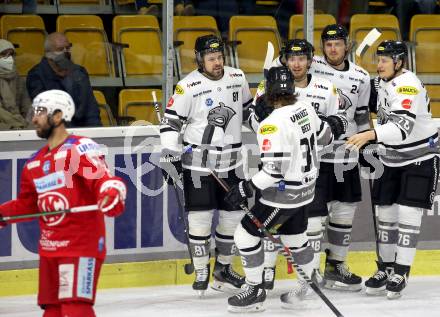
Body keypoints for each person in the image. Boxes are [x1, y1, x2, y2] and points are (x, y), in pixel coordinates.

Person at [224, 66, 345, 312]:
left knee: (245, 235)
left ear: (269, 90)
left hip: (283, 195)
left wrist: (245, 188)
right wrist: (335, 123)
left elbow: (273, 171)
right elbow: (326, 138)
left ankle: (254, 289)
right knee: (296, 238)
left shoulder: (271, 124)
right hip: (307, 190)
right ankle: (307, 283)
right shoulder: (306, 108)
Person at [0, 89, 126, 316]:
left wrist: (112, 190)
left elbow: (102, 179)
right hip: (50, 249)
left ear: (58, 116)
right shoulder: (33, 163)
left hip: (81, 246)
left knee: (76, 307)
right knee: (52, 310)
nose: (34, 118)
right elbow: (28, 205)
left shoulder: (78, 148)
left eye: (40, 112)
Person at [159, 34, 253, 296]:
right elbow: (170, 123)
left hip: (232, 164)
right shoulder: (187, 87)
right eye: (211, 58)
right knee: (200, 220)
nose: (217, 63)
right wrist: (170, 154)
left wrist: (265, 121)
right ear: (199, 59)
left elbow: (248, 113)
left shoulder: (237, 77)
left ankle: (223, 268)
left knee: (232, 219)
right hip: (199, 166)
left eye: (220, 57)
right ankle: (201, 269)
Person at [347, 40, 440, 299]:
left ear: (399, 62)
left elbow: (400, 130)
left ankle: (401, 270)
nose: (379, 65)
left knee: (409, 213)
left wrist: (370, 136)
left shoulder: (407, 86)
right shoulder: (384, 81)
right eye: (378, 60)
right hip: (391, 158)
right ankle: (385, 268)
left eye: (385, 61)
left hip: (419, 156)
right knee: (385, 214)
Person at [251, 39, 343, 290]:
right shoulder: (265, 87)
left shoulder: (326, 88)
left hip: (306, 169)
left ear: (310, 60)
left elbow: (335, 124)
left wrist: (331, 125)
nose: (297, 63)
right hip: (276, 166)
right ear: (284, 61)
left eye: (301, 58)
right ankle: (269, 270)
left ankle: (306, 277)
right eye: (291, 59)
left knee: (305, 226)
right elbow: (257, 126)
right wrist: (256, 116)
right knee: (274, 225)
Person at [304, 24, 371, 291]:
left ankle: (336, 266)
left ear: (347, 46)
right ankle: (311, 272)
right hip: (316, 156)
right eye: (328, 44)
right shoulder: (311, 65)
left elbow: (362, 115)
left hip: (346, 154)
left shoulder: (361, 76)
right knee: (314, 217)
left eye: (338, 44)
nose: (333, 48)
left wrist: (367, 144)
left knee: (344, 212)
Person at [26, 32, 102, 128]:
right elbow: (47, 112)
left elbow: (91, 108)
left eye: (68, 48)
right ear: (48, 54)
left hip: (83, 131)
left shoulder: (79, 72)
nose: (66, 52)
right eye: (60, 49)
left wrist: (96, 132)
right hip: (55, 131)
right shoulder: (36, 75)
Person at [0, 39, 32, 130]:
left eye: (10, 54)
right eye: (3, 54)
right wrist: (16, 123)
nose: (8, 58)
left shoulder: (17, 78)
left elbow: (26, 104)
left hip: (19, 124)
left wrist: (29, 121)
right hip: (7, 125)